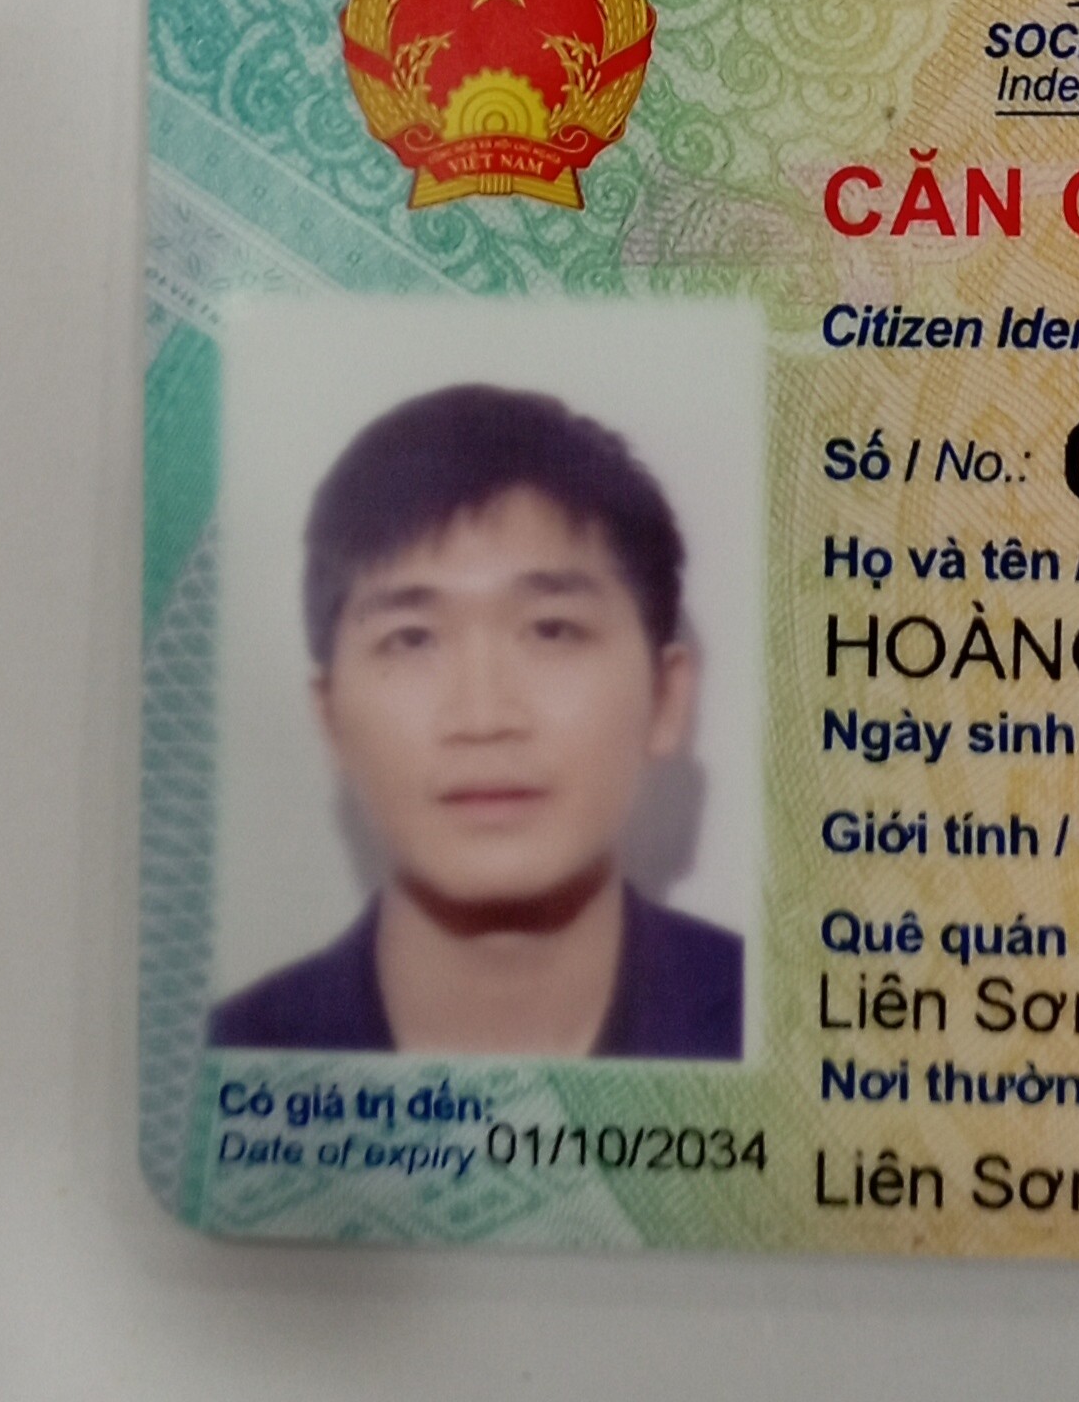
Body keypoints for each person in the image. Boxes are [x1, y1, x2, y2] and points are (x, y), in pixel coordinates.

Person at [210, 383, 742, 1058]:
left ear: (666, 698)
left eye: (552, 630)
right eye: (411, 639)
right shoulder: (224, 1065)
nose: (484, 717)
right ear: (332, 718)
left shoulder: (795, 1037)